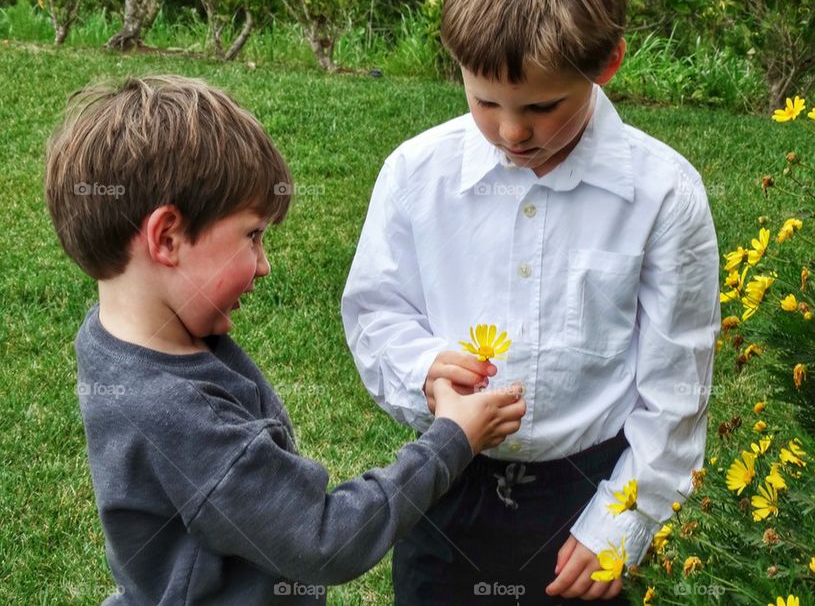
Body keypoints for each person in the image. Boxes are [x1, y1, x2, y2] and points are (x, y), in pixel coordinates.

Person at [341, 0, 721, 605]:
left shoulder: (662, 194)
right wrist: (425, 371)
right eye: (486, 101)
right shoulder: (415, 175)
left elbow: (676, 382)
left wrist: (627, 514)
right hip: (446, 481)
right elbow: (376, 311)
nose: (511, 131)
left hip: (587, 495)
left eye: (543, 107)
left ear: (607, 63)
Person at [43, 75, 526, 605]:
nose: (265, 265)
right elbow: (325, 539)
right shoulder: (177, 415)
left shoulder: (115, 334)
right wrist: (451, 437)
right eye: (253, 235)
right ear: (167, 237)